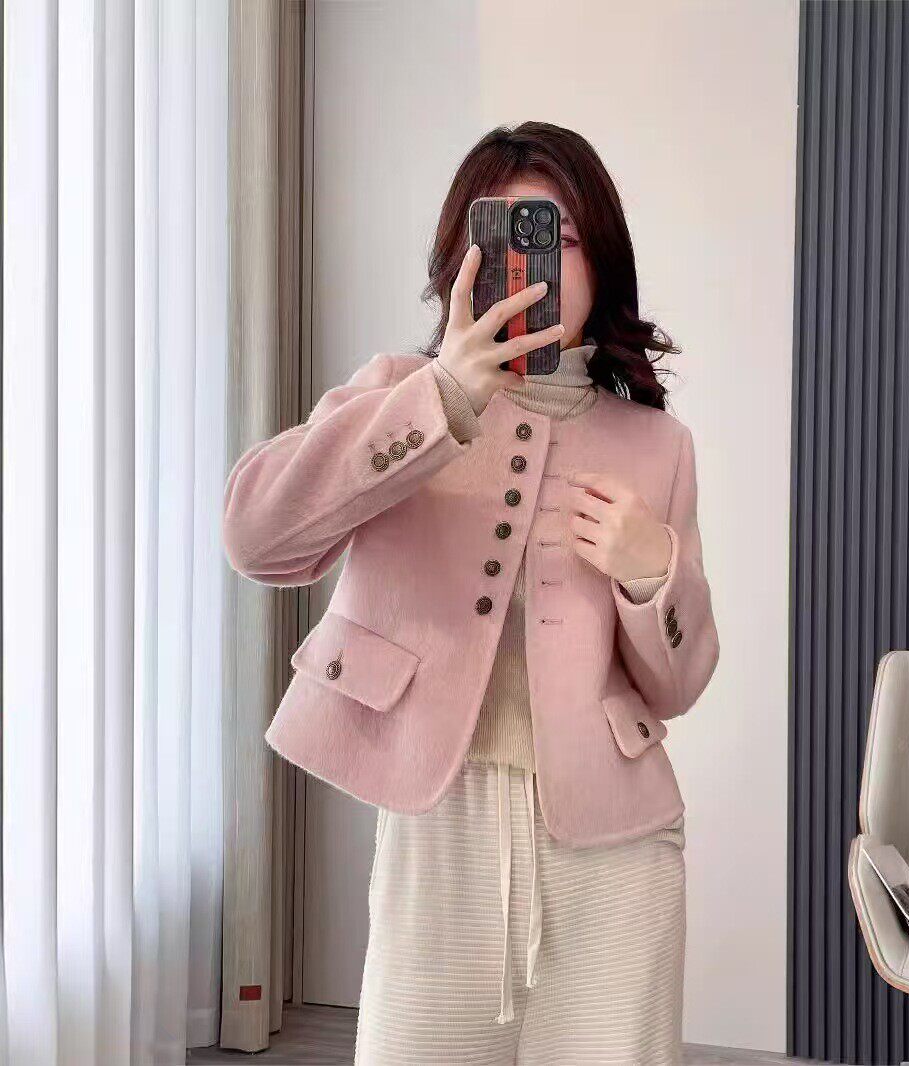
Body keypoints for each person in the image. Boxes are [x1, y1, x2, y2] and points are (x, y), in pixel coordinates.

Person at [222, 121, 720, 1065]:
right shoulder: (399, 398)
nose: (539, 264)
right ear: (465, 261)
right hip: (438, 826)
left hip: (615, 850)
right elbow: (257, 537)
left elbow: (680, 683)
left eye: (562, 238)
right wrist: (444, 396)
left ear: (601, 259)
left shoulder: (659, 447)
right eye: (511, 235)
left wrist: (652, 570)